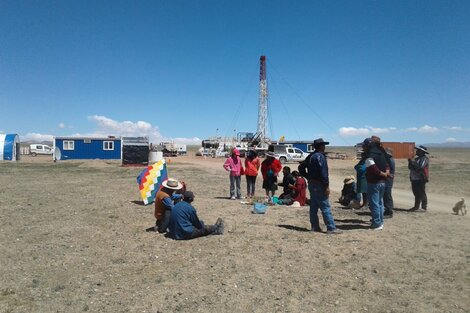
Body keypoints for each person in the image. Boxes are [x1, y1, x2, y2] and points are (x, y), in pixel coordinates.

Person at [304, 138, 342, 234]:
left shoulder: (310, 156)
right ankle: (331, 227)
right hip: (319, 184)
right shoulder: (320, 157)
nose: (324, 147)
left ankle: (315, 226)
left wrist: (308, 177)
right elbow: (323, 173)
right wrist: (326, 186)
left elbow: (301, 167)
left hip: (312, 183)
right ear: (321, 146)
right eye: (324, 145)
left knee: (314, 206)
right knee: (325, 206)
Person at [365, 157, 390, 230]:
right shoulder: (381, 157)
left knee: (374, 204)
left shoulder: (370, 158)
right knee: (380, 203)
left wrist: (384, 174)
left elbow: (374, 169)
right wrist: (387, 173)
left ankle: (376, 223)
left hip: (374, 183)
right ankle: (380, 222)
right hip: (382, 183)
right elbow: (387, 166)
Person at [408, 145, 430, 212]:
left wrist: (412, 162)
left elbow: (420, 167)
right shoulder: (416, 159)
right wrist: (410, 162)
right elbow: (410, 167)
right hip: (414, 178)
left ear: (422, 152)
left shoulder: (424, 159)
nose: (416, 151)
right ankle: (416, 206)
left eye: (418, 150)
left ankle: (424, 207)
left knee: (421, 193)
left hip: (421, 178)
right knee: (416, 193)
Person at [383, 147, 395, 218]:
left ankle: (389, 211)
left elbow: (389, 172)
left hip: (388, 180)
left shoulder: (390, 160)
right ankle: (387, 210)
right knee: (386, 195)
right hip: (387, 179)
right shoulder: (389, 160)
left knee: (387, 195)